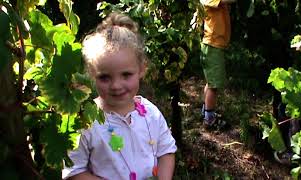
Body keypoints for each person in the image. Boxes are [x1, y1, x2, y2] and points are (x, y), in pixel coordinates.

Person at [62, 12, 177, 180]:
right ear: (92, 74)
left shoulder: (151, 113)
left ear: (141, 69)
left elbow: (166, 151)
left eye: (126, 75)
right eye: (104, 77)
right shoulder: (85, 122)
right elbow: (75, 171)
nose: (116, 86)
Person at [200, 0, 236, 127]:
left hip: (213, 45)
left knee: (210, 82)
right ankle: (209, 119)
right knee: (213, 86)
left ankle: (206, 111)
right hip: (212, 45)